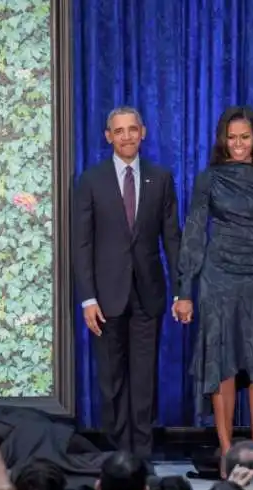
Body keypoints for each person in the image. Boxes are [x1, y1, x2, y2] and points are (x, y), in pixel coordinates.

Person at [174, 106, 253, 475]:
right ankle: (227, 452)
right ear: (222, 140)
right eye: (232, 137)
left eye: (245, 137)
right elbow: (194, 233)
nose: (238, 144)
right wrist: (185, 290)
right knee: (221, 360)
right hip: (219, 277)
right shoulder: (209, 179)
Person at [72, 107, 181, 457]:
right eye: (119, 131)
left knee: (144, 379)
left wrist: (182, 290)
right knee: (112, 380)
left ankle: (143, 456)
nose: (126, 136)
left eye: (132, 129)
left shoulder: (160, 178)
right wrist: (88, 298)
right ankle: (118, 458)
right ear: (108, 136)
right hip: (105, 298)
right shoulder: (91, 180)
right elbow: (81, 243)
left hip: (148, 294)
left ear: (143, 132)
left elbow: (172, 239)